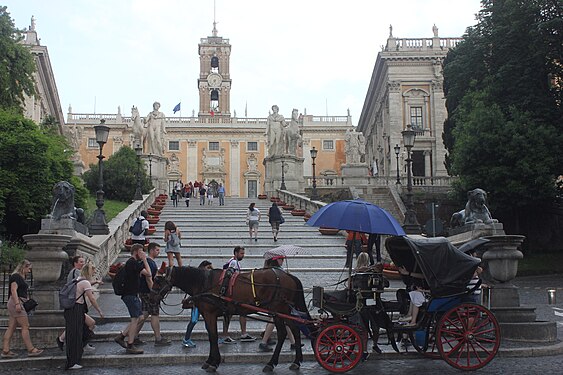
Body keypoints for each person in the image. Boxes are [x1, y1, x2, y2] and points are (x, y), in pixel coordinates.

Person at [64, 263, 104, 370]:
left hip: (71, 309)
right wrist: (99, 310)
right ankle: (72, 362)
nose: (94, 273)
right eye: (93, 271)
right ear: (89, 272)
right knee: (76, 335)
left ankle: (74, 357)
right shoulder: (85, 282)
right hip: (76, 308)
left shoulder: (78, 279)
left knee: (78, 332)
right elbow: (92, 298)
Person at [58, 256, 102, 351]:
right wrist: (99, 310)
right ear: (75, 263)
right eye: (81, 262)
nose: (82, 263)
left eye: (83, 262)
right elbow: (84, 286)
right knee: (77, 326)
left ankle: (77, 342)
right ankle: (76, 344)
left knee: (81, 324)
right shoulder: (76, 273)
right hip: (75, 304)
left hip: (76, 304)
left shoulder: (76, 274)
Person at [114, 244, 152, 354]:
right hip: (130, 295)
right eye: (141, 251)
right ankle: (130, 344)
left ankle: (121, 336)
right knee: (135, 319)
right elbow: (148, 274)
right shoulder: (132, 262)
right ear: (136, 252)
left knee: (140, 318)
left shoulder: (132, 263)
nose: (143, 253)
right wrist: (145, 260)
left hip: (132, 295)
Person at [2, 260, 43, 358]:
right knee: (25, 326)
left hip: (16, 302)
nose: (29, 271)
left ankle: (5, 350)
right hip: (16, 302)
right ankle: (31, 349)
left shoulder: (19, 277)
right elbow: (13, 290)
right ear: (23, 267)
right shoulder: (16, 277)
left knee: (11, 327)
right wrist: (17, 304)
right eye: (28, 268)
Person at [258, 256, 298, 352]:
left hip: (275, 300)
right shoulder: (278, 272)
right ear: (276, 260)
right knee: (275, 319)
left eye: (283, 259)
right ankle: (263, 342)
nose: (283, 261)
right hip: (277, 301)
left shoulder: (272, 270)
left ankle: (293, 343)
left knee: (285, 320)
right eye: (281, 259)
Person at [136, 243, 171, 346]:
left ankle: (133, 335)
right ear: (151, 250)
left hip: (143, 291)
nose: (158, 252)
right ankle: (158, 338)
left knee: (144, 314)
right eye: (157, 250)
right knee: (155, 314)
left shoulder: (147, 262)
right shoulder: (150, 263)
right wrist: (153, 291)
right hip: (148, 292)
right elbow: (149, 278)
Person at [219, 246, 256, 343]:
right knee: (230, 313)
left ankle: (241, 333)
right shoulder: (233, 262)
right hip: (233, 292)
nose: (243, 255)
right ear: (235, 253)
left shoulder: (234, 261)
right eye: (241, 253)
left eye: (243, 253)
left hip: (234, 291)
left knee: (240, 313)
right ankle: (227, 334)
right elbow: (229, 275)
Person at [182, 260, 213, 348]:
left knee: (208, 321)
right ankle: (186, 339)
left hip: (202, 302)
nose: (209, 270)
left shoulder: (204, 276)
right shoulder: (199, 277)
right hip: (197, 302)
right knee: (194, 320)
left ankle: (213, 337)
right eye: (208, 268)